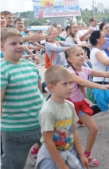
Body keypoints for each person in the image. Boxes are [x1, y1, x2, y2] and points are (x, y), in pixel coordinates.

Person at [1, 28, 44, 169]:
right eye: (13, 44)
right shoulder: (2, 69)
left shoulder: (31, 66)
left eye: (21, 42)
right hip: (16, 130)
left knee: (51, 159)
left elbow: (39, 93)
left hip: (41, 125)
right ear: (2, 47)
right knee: (13, 164)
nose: (19, 46)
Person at [35, 65, 89, 169]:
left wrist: (81, 155)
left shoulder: (70, 105)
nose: (70, 87)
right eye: (65, 84)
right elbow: (48, 142)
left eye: (70, 83)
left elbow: (74, 132)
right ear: (51, 87)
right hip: (51, 157)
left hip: (69, 150)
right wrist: (61, 165)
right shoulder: (48, 111)